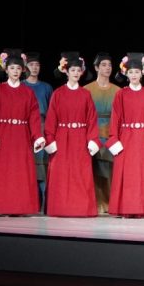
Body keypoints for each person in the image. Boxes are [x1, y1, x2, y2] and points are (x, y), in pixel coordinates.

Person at [0, 49, 45, 215]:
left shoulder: (28, 92)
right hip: (2, 136)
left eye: (18, 68)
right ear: (6, 70)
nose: (15, 71)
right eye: (12, 68)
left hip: (21, 137)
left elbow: (34, 117)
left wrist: (37, 137)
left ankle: (21, 207)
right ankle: (2, 206)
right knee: (3, 172)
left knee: (20, 172)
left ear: (23, 70)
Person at [108, 53, 144, 217]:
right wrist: (114, 139)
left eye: (137, 72)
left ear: (142, 73)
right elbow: (115, 119)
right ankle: (126, 208)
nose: (134, 75)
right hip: (126, 138)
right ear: (126, 74)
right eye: (131, 72)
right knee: (128, 174)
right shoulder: (121, 94)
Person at [43, 52, 99, 217]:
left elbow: (92, 119)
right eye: (72, 70)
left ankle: (81, 208)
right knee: (61, 174)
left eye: (78, 70)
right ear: (66, 72)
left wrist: (92, 139)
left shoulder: (85, 94)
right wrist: (50, 139)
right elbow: (51, 119)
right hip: (62, 138)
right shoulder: (58, 93)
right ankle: (60, 208)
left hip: (80, 138)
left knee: (80, 173)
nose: (76, 73)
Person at [85, 52, 119, 213]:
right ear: (96, 67)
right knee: (94, 169)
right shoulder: (87, 90)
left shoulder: (118, 91)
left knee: (111, 169)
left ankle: (111, 203)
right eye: (104, 65)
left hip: (111, 132)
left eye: (109, 65)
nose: (107, 68)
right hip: (93, 132)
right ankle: (96, 203)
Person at [24, 51, 54, 212]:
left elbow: (52, 111)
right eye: (31, 65)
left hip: (42, 127)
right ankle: (29, 201)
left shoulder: (46, 87)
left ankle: (45, 202)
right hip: (24, 128)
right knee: (27, 165)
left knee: (42, 165)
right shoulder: (22, 86)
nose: (34, 68)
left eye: (37, 65)